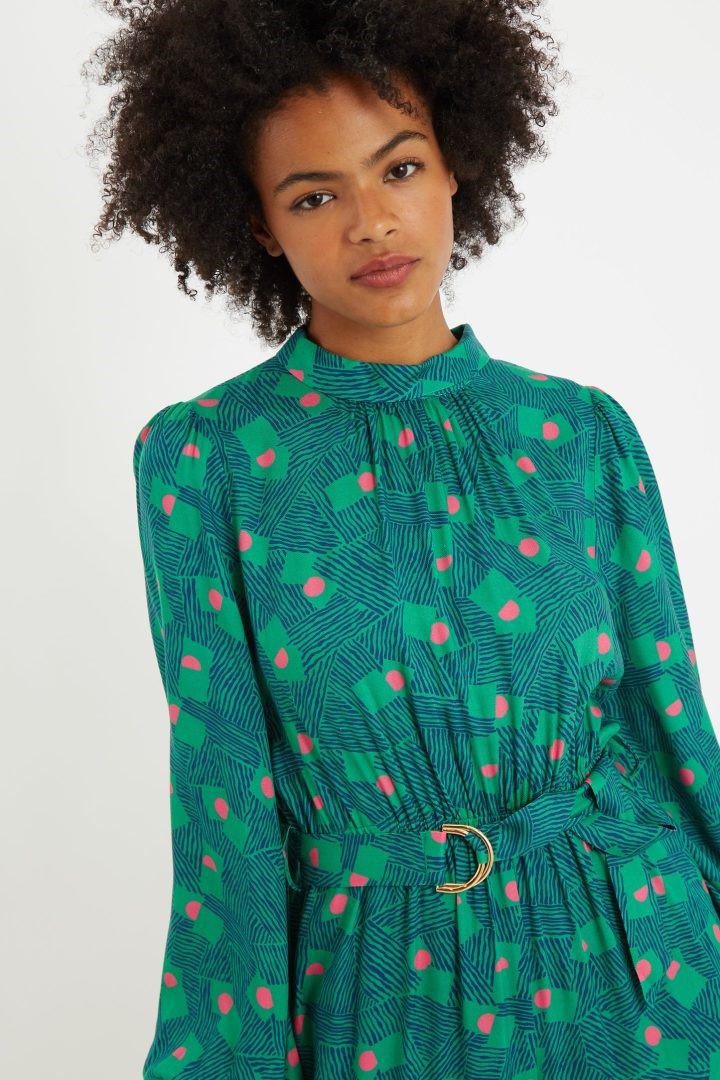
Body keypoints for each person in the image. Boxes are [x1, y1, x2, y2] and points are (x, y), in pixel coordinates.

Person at [86, 1, 720, 1076]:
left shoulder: (580, 432)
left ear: (456, 166)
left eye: (401, 169)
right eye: (314, 195)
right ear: (258, 224)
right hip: (383, 994)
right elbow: (224, 800)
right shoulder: (208, 460)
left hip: (633, 970)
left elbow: (671, 734)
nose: (372, 223)